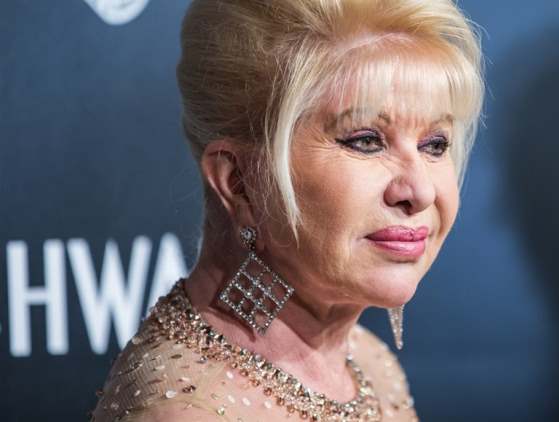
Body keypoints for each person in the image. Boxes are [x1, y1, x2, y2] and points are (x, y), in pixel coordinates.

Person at [90, 0, 484, 420]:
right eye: (366, 141)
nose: (420, 191)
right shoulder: (186, 411)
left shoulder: (370, 362)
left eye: (435, 144)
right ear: (239, 182)